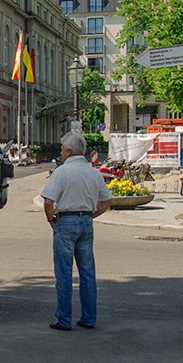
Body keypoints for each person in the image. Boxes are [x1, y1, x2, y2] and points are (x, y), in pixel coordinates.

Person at [40, 131, 113, 331]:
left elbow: (48, 201)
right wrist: (91, 215)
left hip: (65, 221)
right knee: (87, 272)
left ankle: (64, 318)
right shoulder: (94, 172)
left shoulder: (62, 172)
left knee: (64, 272)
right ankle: (89, 317)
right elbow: (107, 201)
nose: (61, 153)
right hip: (86, 221)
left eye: (62, 150)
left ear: (69, 151)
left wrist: (51, 219)